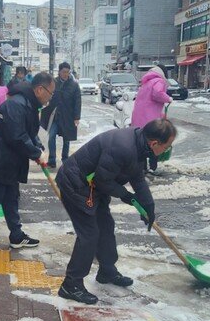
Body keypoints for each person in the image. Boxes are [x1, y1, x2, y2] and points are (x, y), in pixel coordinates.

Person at [55, 119, 176, 304]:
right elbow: (104, 180)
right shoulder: (124, 147)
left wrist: (149, 207)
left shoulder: (140, 143)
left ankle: (106, 270)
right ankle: (70, 285)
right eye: (167, 146)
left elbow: (137, 177)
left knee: (105, 226)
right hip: (76, 183)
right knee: (89, 234)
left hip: (93, 185)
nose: (167, 150)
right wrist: (129, 197)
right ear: (155, 143)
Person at [0, 73, 55, 250]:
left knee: (11, 198)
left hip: (7, 161)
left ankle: (16, 235)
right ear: (39, 89)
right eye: (50, 92)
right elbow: (17, 136)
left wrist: (38, 148)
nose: (50, 97)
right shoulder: (17, 105)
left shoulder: (28, 104)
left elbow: (29, 132)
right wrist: (35, 153)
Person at [41, 62, 82, 169]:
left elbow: (78, 101)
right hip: (54, 116)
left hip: (67, 116)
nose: (66, 74)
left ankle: (65, 159)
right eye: (64, 72)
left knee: (66, 139)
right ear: (59, 71)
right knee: (51, 136)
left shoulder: (74, 85)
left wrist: (77, 117)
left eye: (68, 72)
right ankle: (52, 159)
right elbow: (46, 96)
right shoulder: (53, 83)